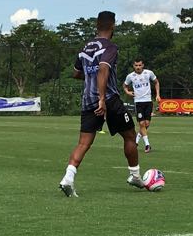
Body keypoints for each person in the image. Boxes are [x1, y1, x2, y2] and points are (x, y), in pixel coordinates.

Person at [58, 10, 143, 197]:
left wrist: (91, 77)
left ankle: (68, 178)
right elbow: (104, 69)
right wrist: (103, 98)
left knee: (83, 143)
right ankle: (135, 175)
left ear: (97, 25)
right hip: (109, 99)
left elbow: (76, 73)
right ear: (113, 25)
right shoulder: (110, 47)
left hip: (87, 100)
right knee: (130, 135)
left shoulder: (85, 48)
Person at [124, 59, 159, 153]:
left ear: (143, 65)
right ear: (133, 66)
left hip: (148, 102)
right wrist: (128, 92)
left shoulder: (149, 73)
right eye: (136, 65)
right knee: (141, 124)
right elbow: (125, 86)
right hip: (138, 102)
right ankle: (147, 145)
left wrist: (158, 95)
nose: (138, 67)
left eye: (139, 65)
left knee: (146, 124)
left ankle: (135, 141)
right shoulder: (130, 76)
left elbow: (156, 82)